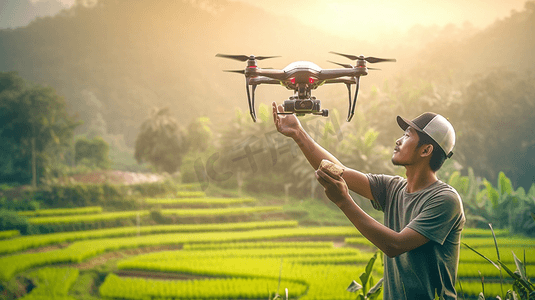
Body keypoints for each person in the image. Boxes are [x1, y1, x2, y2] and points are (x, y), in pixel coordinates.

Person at [272, 102, 465, 300]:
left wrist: (344, 202)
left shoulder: (445, 200)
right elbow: (340, 171)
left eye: (407, 135)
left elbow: (395, 245)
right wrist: (298, 133)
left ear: (426, 150)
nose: (399, 140)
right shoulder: (393, 188)